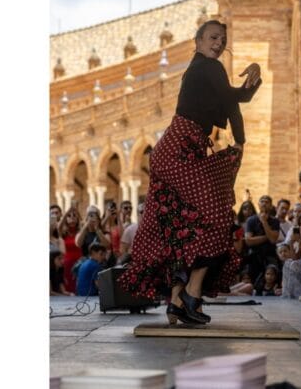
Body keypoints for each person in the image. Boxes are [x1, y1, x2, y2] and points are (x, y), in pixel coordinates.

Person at [118, 19, 262, 325]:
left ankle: (175, 303)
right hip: (179, 152)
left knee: (181, 227)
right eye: (212, 37)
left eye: (222, 39)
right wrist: (240, 143)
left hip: (180, 150)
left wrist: (253, 80)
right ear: (197, 41)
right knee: (215, 216)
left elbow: (234, 100)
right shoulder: (209, 67)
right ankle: (191, 294)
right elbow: (232, 102)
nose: (218, 43)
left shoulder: (207, 70)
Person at [244, 195, 281, 282]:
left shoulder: (275, 221)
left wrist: (264, 222)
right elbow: (248, 241)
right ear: (258, 204)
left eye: (267, 202)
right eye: (262, 201)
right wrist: (267, 236)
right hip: (254, 256)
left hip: (270, 255)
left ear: (271, 206)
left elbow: (272, 240)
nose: (264, 204)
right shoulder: (251, 220)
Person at [57, 205, 83, 293]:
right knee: (69, 286)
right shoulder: (63, 233)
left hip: (79, 262)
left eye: (74, 216)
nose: (72, 218)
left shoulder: (80, 231)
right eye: (69, 216)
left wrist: (77, 212)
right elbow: (58, 227)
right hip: (67, 263)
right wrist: (66, 213)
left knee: (77, 285)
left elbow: (83, 222)